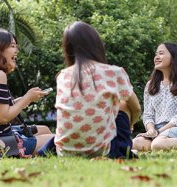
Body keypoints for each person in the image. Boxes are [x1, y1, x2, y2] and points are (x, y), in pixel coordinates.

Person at [53, 21, 141, 158]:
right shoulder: (114, 72)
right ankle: (123, 149)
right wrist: (131, 123)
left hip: (64, 152)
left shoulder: (62, 75)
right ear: (96, 45)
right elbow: (136, 109)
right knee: (124, 104)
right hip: (101, 151)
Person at [0, 28, 54, 157]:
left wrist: (25, 99)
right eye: (12, 46)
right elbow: (4, 117)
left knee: (44, 129)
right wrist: (27, 98)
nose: (17, 50)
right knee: (54, 139)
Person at [132, 43, 177, 151]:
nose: (156, 57)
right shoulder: (150, 85)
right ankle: (158, 142)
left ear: (173, 57)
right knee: (136, 143)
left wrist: (159, 132)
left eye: (161, 53)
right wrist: (151, 130)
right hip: (157, 130)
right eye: (156, 54)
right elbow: (148, 114)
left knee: (157, 144)